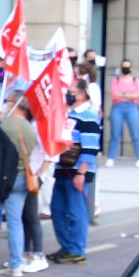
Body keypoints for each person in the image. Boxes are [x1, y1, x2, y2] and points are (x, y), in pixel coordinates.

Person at [48, 78, 100, 267]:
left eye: (72, 91)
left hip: (77, 171)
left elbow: (91, 147)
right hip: (63, 168)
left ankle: (77, 249)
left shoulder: (89, 116)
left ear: (82, 94)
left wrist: (82, 173)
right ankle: (67, 246)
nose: (68, 95)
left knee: (75, 210)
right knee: (57, 209)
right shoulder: (67, 114)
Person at [5, 95, 48, 273]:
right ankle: (24, 254)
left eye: (9, 101)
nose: (7, 104)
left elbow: (49, 154)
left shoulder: (32, 127)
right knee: (23, 217)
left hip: (26, 175)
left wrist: (40, 173)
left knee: (28, 216)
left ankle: (35, 254)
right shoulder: (30, 127)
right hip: (28, 174)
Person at [104, 60, 139, 168]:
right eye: (124, 66)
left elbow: (138, 94)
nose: (126, 68)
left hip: (132, 107)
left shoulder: (136, 81)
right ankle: (111, 157)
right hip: (118, 107)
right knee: (115, 134)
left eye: (128, 66)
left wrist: (122, 94)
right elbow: (114, 94)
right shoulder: (116, 80)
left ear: (132, 68)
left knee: (136, 133)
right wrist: (129, 95)